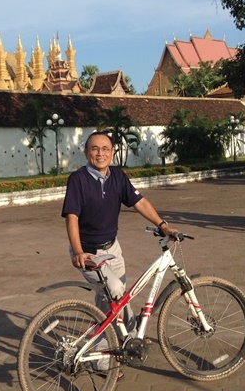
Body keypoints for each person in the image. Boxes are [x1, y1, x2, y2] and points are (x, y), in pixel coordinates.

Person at [61, 131, 180, 337]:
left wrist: (163, 225)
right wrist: (78, 252)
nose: (100, 153)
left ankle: (126, 339)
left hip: (112, 249)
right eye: (95, 148)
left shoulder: (117, 176)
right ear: (86, 152)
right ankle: (105, 355)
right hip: (88, 252)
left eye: (105, 148)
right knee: (115, 291)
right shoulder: (78, 179)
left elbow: (139, 202)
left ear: (113, 152)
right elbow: (72, 217)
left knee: (115, 299)